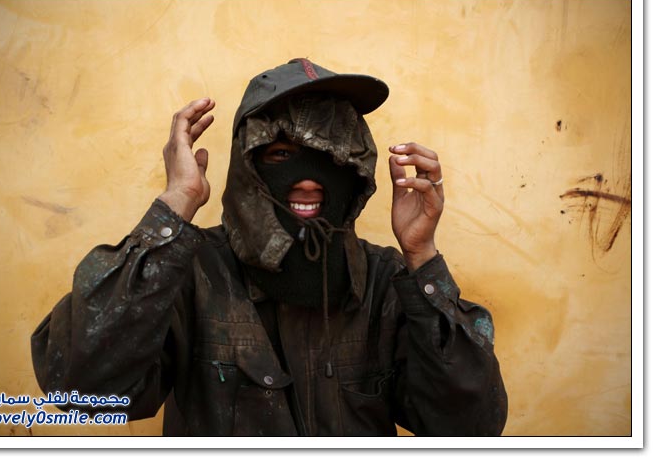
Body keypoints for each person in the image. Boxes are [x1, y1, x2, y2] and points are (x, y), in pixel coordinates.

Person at [31, 58, 508, 436]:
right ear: (247, 166)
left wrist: (422, 257)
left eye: (329, 155)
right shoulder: (191, 273)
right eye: (281, 154)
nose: (308, 179)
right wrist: (175, 205)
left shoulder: (385, 282)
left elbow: (469, 427)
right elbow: (82, 390)